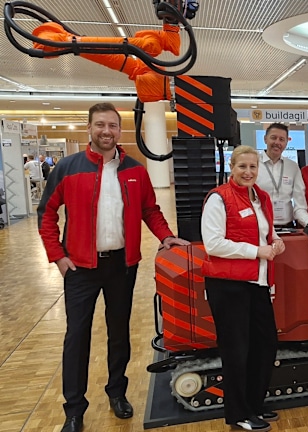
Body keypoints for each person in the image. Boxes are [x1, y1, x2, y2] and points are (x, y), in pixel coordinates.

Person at [37, 102, 189, 432]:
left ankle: (117, 393)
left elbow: (150, 210)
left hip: (122, 265)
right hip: (79, 269)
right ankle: (74, 409)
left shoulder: (134, 169)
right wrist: (58, 256)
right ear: (89, 128)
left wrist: (166, 236)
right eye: (100, 125)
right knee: (77, 336)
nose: (106, 131)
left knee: (119, 333)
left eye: (112, 126)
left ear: (120, 131)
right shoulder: (68, 168)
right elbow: (46, 213)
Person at [201, 145, 286, 431]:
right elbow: (213, 244)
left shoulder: (260, 197)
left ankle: (254, 404)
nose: (248, 172)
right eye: (242, 167)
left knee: (265, 344)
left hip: (257, 282)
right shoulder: (218, 198)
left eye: (253, 167)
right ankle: (238, 413)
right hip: (228, 286)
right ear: (232, 168)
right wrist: (257, 251)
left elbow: (264, 231)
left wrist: (276, 241)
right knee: (236, 350)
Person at [255, 122, 308, 229]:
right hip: (260, 228)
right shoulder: (254, 164)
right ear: (265, 139)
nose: (277, 142)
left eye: (281, 139)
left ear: (286, 143)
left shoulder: (293, 167)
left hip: (288, 228)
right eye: (273, 138)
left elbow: (300, 205)